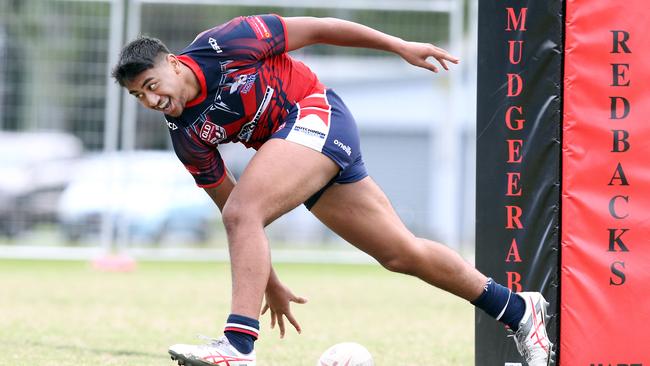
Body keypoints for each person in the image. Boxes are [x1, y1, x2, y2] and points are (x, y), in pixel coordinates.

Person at [112, 14, 553, 366]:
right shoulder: (184, 133)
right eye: (138, 96)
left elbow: (321, 29)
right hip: (299, 149)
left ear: (171, 62)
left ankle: (238, 346)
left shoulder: (227, 42)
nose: (151, 100)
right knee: (402, 253)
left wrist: (398, 46)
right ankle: (519, 311)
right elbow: (234, 209)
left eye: (150, 86)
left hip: (316, 114)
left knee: (246, 211)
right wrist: (268, 282)